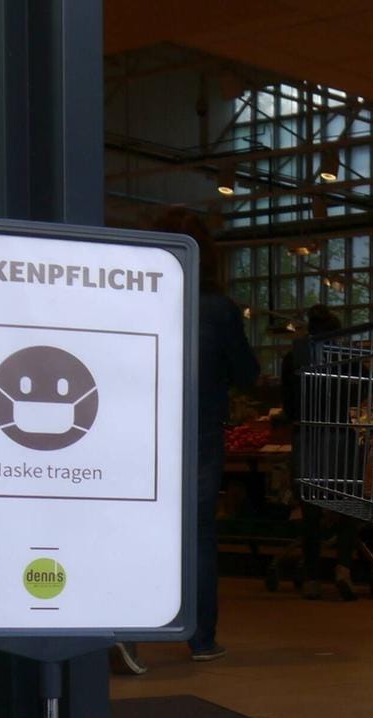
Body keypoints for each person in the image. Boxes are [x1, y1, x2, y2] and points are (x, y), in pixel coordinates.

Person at [155, 207, 258, 662]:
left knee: (137, 525)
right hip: (198, 428)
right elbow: (248, 374)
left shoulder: (137, 297)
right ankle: (200, 638)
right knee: (197, 533)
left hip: (143, 427)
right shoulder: (218, 310)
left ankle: (128, 627)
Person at [282, 305, 364, 600]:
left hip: (309, 437)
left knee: (311, 509)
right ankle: (344, 568)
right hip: (342, 438)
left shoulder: (294, 358)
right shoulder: (349, 359)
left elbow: (289, 406)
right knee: (349, 505)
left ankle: (313, 577)